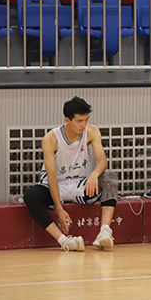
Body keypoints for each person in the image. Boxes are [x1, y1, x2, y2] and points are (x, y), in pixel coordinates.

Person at [24, 96, 118, 252]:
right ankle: (65, 241)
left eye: (86, 120)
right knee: (30, 195)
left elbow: (102, 161)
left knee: (110, 177)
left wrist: (94, 175)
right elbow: (51, 176)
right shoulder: (50, 139)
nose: (83, 125)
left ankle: (104, 232)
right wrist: (59, 209)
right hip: (56, 185)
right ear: (67, 120)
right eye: (79, 121)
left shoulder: (92, 131)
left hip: (81, 184)